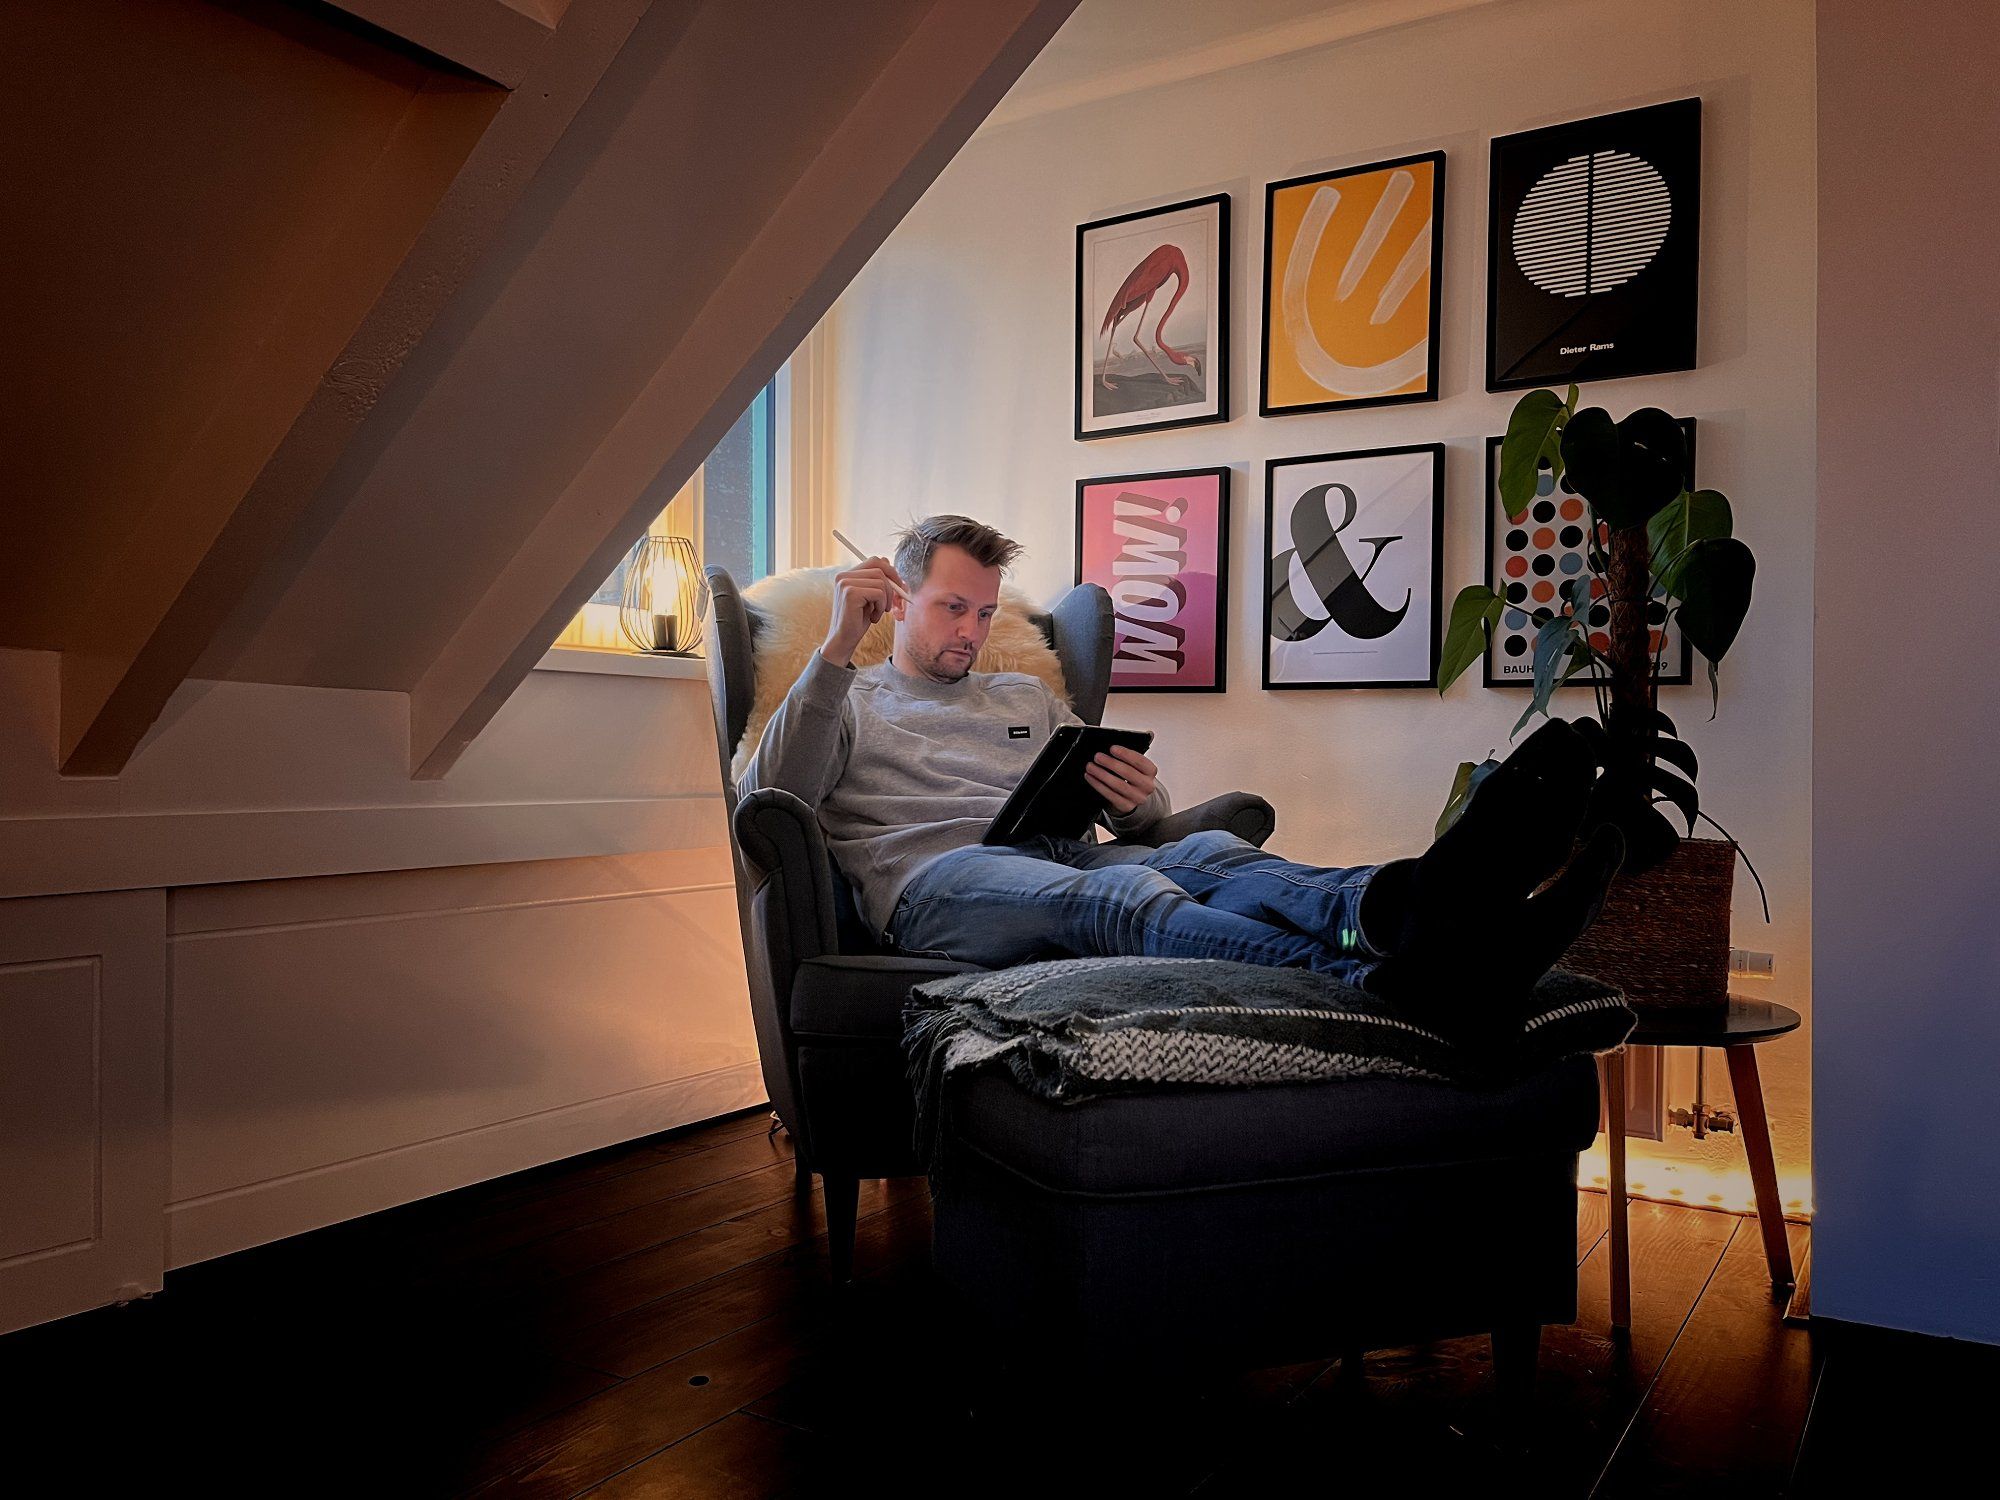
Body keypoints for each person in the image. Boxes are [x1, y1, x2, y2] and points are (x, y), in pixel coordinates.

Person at [738, 514, 1626, 1042]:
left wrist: (1139, 799)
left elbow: (1134, 813)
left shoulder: (1022, 693)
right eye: (950, 608)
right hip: (937, 883)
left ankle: (1406, 907)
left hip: (1058, 854)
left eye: (983, 610)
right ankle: (1371, 987)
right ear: (898, 597)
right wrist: (830, 649)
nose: (970, 630)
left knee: (1211, 855)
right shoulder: (844, 693)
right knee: (1126, 903)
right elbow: (769, 797)